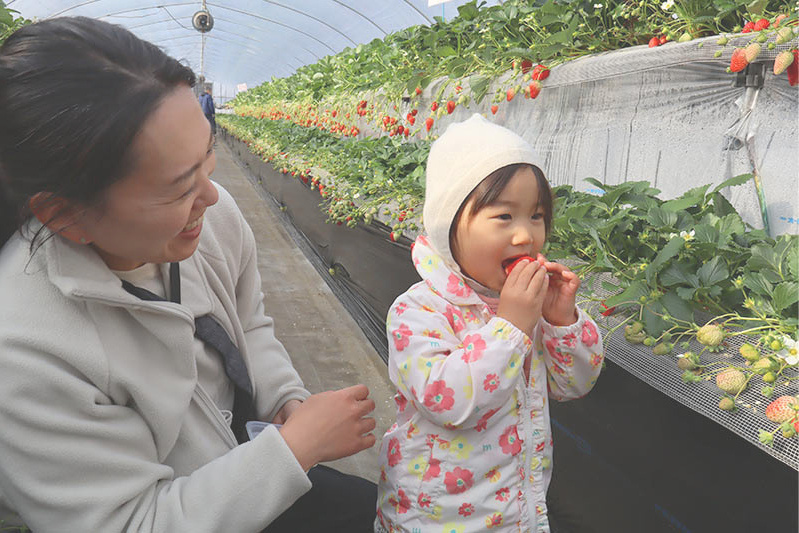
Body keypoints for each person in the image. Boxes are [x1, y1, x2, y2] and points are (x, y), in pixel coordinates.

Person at [0, 16, 377, 533]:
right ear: (64, 215)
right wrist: (295, 449)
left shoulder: (211, 223)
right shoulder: (26, 353)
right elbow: (132, 522)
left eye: (208, 155)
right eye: (179, 187)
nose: (211, 195)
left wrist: (285, 400)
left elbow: (248, 322)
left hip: (246, 463)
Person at [375, 114, 605, 532]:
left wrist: (561, 321)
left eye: (536, 216)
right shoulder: (418, 311)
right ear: (449, 226)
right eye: (504, 217)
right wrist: (511, 328)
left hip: (518, 510)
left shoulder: (527, 306)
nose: (525, 236)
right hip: (435, 517)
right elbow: (447, 403)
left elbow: (573, 384)